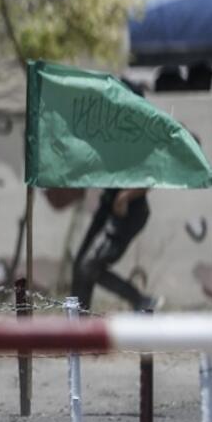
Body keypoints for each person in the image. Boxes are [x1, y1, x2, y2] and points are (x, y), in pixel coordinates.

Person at [70, 78, 159, 313]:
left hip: (128, 213)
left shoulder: (140, 136)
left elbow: (150, 177)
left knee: (90, 266)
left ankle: (140, 300)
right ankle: (77, 323)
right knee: (81, 266)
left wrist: (125, 196)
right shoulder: (114, 132)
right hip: (108, 208)